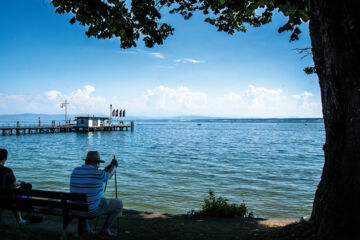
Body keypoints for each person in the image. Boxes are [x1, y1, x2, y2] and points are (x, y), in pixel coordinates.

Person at [70, 151, 122, 236]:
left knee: (84, 201)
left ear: (86, 161)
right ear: (97, 163)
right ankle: (105, 230)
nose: (99, 167)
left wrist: (108, 167)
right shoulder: (98, 174)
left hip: (75, 209)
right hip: (91, 211)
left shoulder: (75, 171)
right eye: (98, 164)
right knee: (119, 204)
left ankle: (85, 230)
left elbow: (101, 174)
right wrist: (114, 166)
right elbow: (109, 175)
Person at [0, 148, 42, 225]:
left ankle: (24, 217)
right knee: (28, 186)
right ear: (4, 158)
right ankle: (28, 213)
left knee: (11, 192)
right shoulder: (7, 171)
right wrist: (20, 183)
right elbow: (14, 184)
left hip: (3, 198)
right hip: (7, 201)